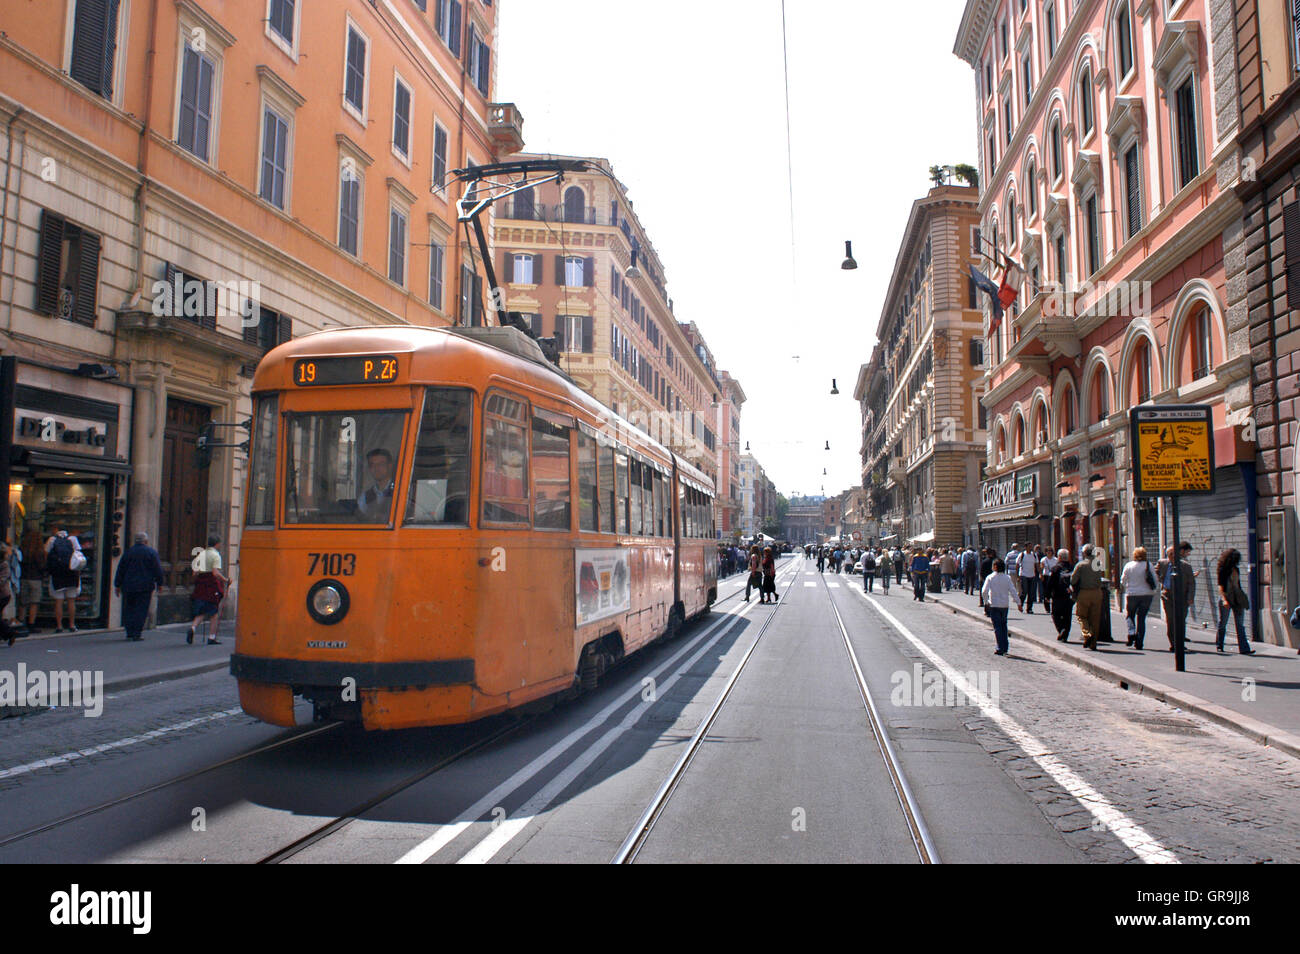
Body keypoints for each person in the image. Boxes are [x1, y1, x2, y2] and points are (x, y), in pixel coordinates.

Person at [113, 532, 165, 641]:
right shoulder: (151, 553)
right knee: (141, 609)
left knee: (129, 608)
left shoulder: (128, 552)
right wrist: (160, 583)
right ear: (146, 541)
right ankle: (137, 632)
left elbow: (121, 569)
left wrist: (117, 585)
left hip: (128, 585)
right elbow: (157, 570)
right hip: (144, 586)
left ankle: (129, 632)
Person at [188, 534, 230, 645]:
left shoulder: (201, 554)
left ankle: (193, 627)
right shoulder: (215, 555)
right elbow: (215, 573)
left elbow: (194, 572)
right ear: (217, 544)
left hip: (201, 583)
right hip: (211, 584)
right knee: (213, 612)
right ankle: (211, 637)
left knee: (201, 610)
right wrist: (225, 580)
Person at [1155, 544, 1195, 653]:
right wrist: (1160, 581)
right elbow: (1154, 573)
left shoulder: (1186, 566)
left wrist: (1190, 597)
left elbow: (1191, 583)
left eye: (1174, 554)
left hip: (1182, 597)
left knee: (1181, 620)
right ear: (1167, 555)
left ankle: (1180, 643)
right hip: (1167, 596)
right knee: (1171, 620)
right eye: (1170, 554)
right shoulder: (1162, 563)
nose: (1172, 556)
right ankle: (1174, 643)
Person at [1215, 549, 1255, 655]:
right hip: (1227, 597)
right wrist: (1224, 600)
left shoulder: (1236, 569)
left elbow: (1238, 584)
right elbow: (1220, 586)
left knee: (1240, 624)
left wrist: (1242, 598)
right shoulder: (1223, 570)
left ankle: (1244, 648)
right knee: (1223, 623)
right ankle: (1219, 645)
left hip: (1237, 598)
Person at [1118, 546, 1158, 651]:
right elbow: (1155, 579)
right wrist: (1154, 591)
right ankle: (1139, 642)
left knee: (1130, 616)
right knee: (1141, 618)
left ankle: (1131, 633)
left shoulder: (1129, 565)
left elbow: (1123, 580)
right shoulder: (1149, 565)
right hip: (1147, 594)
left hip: (1132, 594)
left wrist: (1127, 586)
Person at [45, 528, 83, 633]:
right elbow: (79, 555)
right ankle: (72, 624)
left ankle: (59, 626)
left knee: (59, 601)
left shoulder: (52, 540)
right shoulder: (73, 539)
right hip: (71, 573)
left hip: (57, 574)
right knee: (71, 600)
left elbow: (46, 554)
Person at [981, 558, 1021, 655]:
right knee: (1004, 626)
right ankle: (1005, 647)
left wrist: (986, 602)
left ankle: (1000, 647)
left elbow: (984, 591)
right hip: (1004, 605)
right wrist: (1018, 603)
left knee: (997, 627)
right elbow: (1013, 591)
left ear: (995, 567)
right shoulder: (1007, 578)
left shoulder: (990, 577)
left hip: (994, 605)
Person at [1070, 543, 1105, 650]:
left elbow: (1073, 580)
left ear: (1084, 553)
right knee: (1095, 619)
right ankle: (1093, 643)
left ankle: (1087, 634)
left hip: (1084, 593)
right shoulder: (1098, 563)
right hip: (1097, 593)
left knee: (1081, 616)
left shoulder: (1081, 565)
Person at [20, 529, 46, 634]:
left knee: (23, 602)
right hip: (35, 578)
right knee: (34, 602)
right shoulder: (39, 551)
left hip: (24, 577)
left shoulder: (23, 549)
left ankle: (21, 622)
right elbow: (42, 566)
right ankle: (31, 623)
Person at [358, 448, 396, 518]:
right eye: (372, 465)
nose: (376, 468)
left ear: (390, 465)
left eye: (381, 464)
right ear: (369, 468)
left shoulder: (400, 491)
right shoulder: (364, 498)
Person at [1048, 549, 1074, 641]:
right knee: (1068, 616)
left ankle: (1061, 629)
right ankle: (1065, 634)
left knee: (1055, 614)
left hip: (1057, 596)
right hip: (1069, 596)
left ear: (1059, 557)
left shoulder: (1056, 568)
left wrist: (1047, 595)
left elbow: (1050, 583)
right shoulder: (1072, 567)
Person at [0, 540, 15, 647]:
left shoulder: (4, 564)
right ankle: (7, 634)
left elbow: (2, 579)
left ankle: (9, 633)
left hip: (2, 595)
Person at [1018, 545, 1039, 613]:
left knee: (1031, 593)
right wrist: (1018, 576)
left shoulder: (1034, 555)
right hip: (1024, 575)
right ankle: (1020, 604)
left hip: (1032, 575)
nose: (1030, 548)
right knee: (1024, 592)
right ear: (1026, 547)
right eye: (1029, 546)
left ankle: (1029, 608)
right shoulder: (1022, 555)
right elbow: (1017, 565)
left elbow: (1037, 564)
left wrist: (1040, 573)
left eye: (1031, 546)